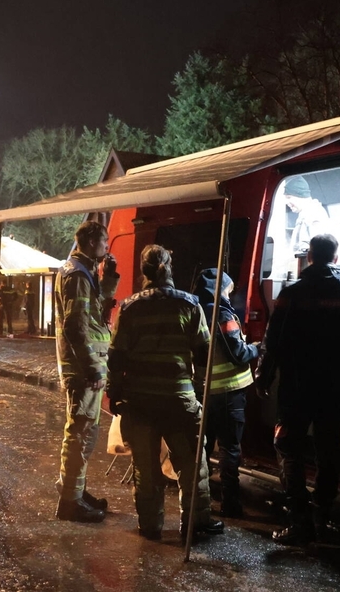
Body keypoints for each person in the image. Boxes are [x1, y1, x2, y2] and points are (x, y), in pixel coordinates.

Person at [255, 233, 340, 545]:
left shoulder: (291, 294)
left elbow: (272, 341)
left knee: (288, 448)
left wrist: (263, 377)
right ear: (335, 257)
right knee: (327, 451)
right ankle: (322, 518)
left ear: (308, 256)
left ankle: (300, 522)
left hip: (296, 386)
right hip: (332, 384)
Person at [107, 245, 223, 541]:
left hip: (141, 403)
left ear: (144, 271)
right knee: (191, 467)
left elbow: (116, 355)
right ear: (169, 269)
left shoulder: (130, 307)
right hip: (180, 402)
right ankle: (194, 524)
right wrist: (198, 390)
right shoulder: (190, 304)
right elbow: (204, 352)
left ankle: (150, 526)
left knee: (145, 469)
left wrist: (116, 393)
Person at [53, 220, 118, 523]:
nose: (107, 246)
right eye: (104, 241)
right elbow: (75, 326)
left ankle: (74, 490)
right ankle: (70, 503)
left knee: (81, 433)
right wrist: (93, 366)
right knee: (81, 434)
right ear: (91, 242)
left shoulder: (81, 271)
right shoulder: (77, 275)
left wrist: (109, 279)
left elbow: (95, 311)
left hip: (84, 367)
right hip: (83, 370)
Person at [193, 268, 259, 518]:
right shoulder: (222, 313)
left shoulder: (194, 310)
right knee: (230, 449)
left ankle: (200, 500)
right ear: (220, 290)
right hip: (230, 392)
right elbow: (238, 353)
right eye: (228, 291)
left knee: (204, 448)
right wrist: (256, 348)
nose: (230, 296)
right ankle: (230, 504)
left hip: (204, 392)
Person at [283, 175, 330, 272]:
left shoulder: (314, 214)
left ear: (300, 195)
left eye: (289, 197)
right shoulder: (304, 214)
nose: (286, 202)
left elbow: (319, 251)